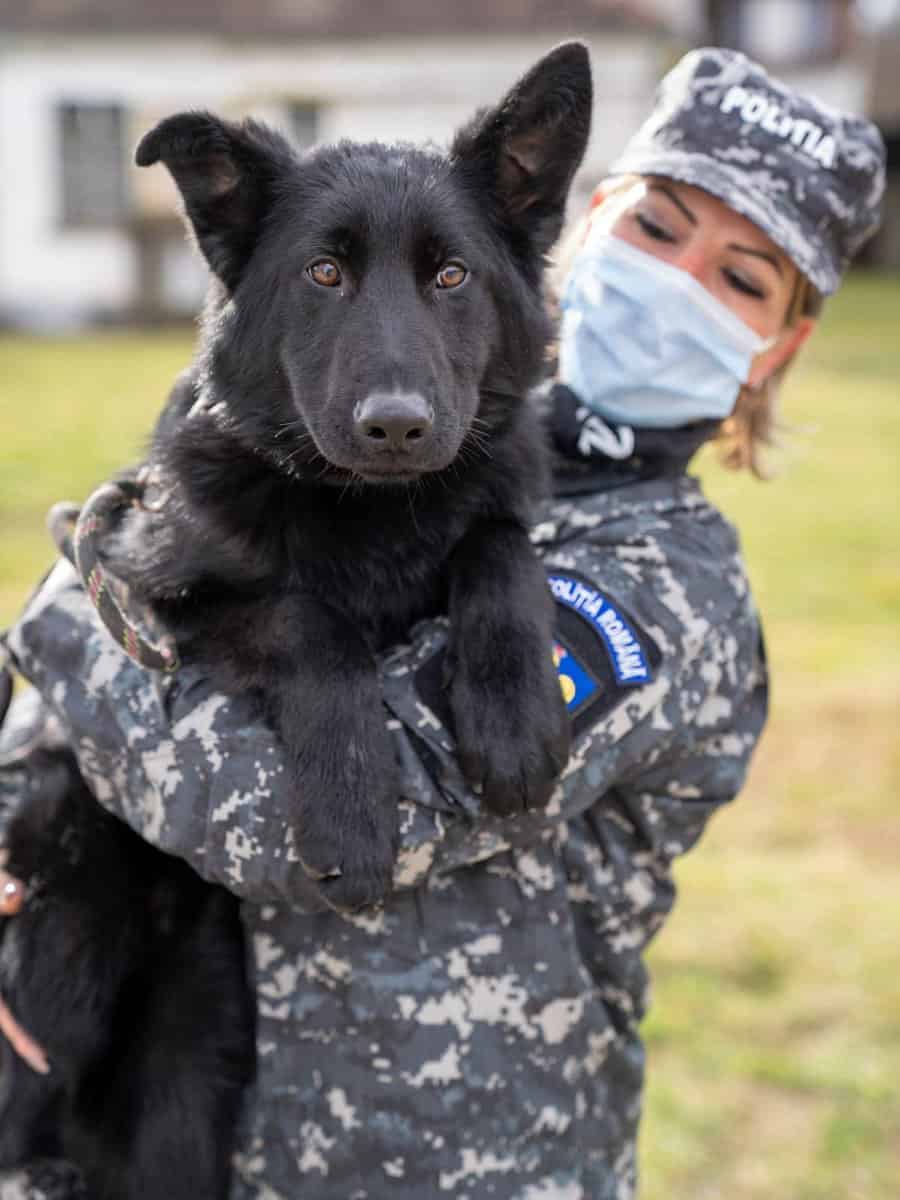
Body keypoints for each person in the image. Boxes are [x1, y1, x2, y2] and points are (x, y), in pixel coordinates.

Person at [0, 47, 886, 1200]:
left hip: (446, 1169)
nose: (677, 284)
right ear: (590, 219)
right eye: (659, 228)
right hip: (199, 1121)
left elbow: (272, 819)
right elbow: (131, 602)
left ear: (781, 343)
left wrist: (66, 621)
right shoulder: (358, 421)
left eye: (742, 277)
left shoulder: (667, 584)